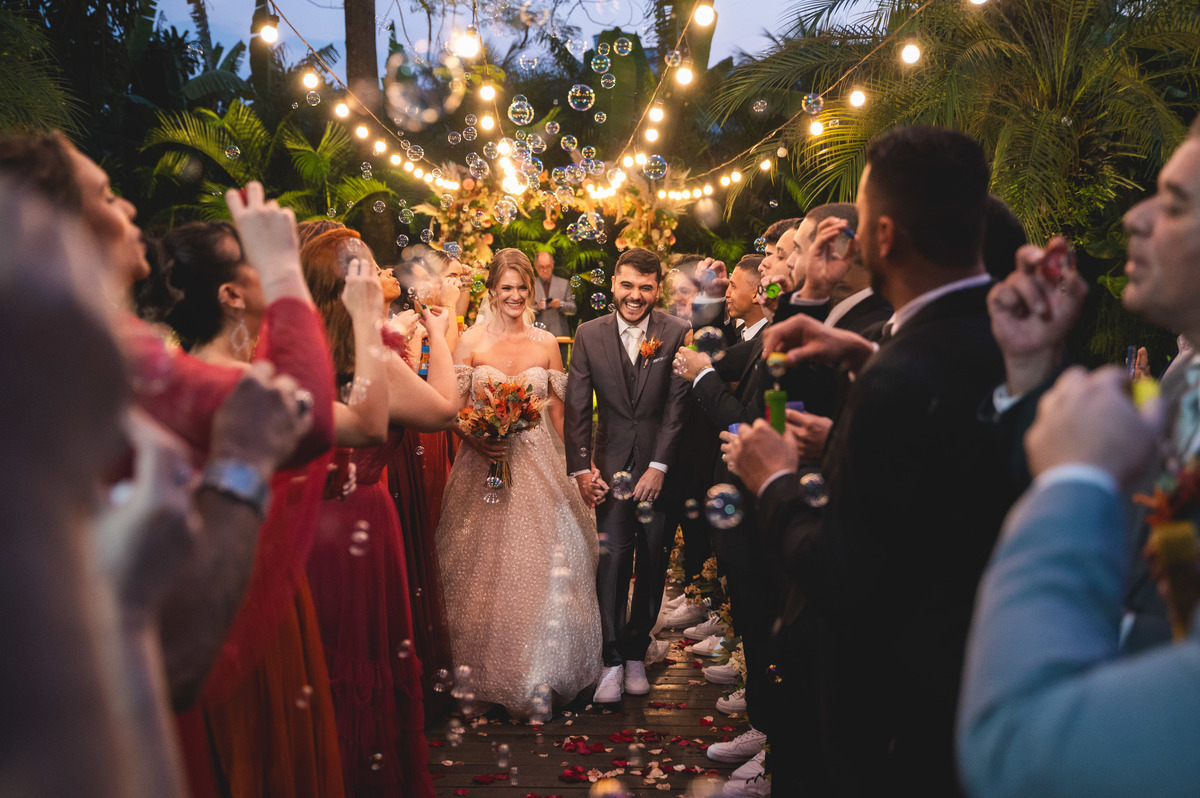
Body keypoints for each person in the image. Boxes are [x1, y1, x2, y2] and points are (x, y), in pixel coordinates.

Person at [725, 126, 1020, 797]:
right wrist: (864, 354)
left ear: (883, 239)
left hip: (892, 713)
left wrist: (771, 478)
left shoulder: (902, 379)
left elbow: (839, 571)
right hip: (974, 680)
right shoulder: (1006, 339)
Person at [958, 116, 1200, 796]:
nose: (1138, 219)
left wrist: (1075, 479)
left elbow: (1016, 753)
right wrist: (1031, 367)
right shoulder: (1181, 384)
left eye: (1176, 204)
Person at [301, 229, 456, 798]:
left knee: (313, 666)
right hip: (361, 529)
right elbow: (443, 410)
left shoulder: (296, 353)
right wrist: (438, 331)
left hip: (297, 529)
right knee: (362, 665)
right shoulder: (373, 359)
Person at [436, 248, 602, 717]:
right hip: (480, 466)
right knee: (479, 570)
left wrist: (582, 463)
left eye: (521, 288)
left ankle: (536, 675)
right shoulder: (467, 341)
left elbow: (559, 410)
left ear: (531, 292)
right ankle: (481, 679)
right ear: (491, 290)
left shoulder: (547, 342)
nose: (514, 295)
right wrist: (477, 435)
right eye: (505, 287)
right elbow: (449, 406)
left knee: (541, 568)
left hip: (534, 463)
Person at [564, 247, 691, 704]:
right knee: (613, 561)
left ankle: (638, 652)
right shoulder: (587, 334)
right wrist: (581, 467)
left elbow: (678, 408)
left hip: (661, 470)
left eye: (645, 287)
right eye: (627, 285)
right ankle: (612, 660)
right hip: (609, 469)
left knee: (653, 560)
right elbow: (578, 406)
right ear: (613, 284)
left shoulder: (677, 332)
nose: (635, 296)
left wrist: (659, 466)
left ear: (657, 288)